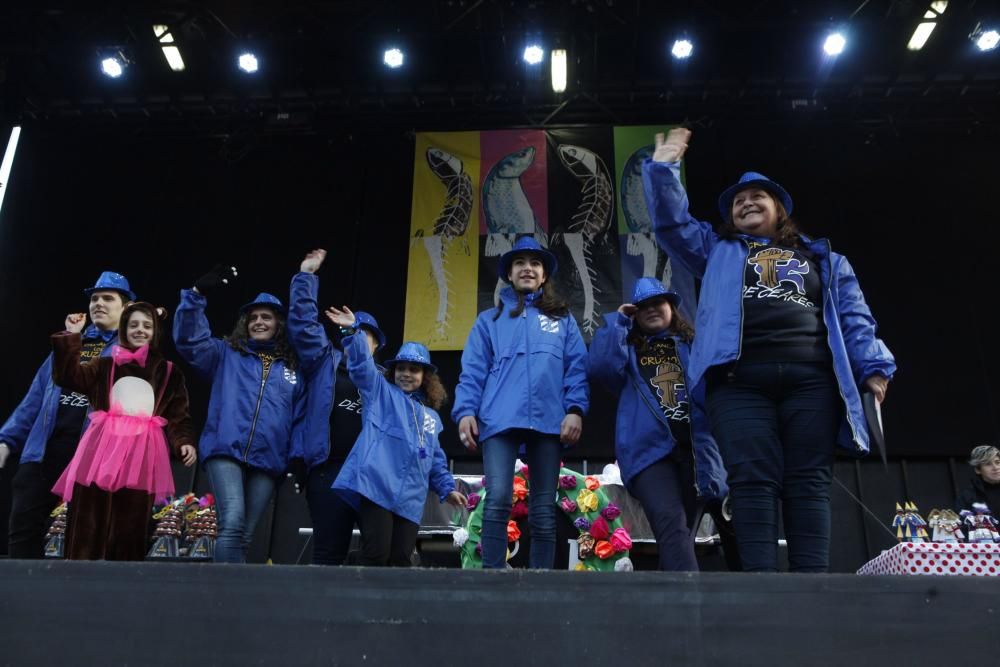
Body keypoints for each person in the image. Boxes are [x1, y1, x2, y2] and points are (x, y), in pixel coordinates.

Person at [643, 128, 896, 572]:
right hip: (739, 384)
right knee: (751, 481)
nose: (746, 203)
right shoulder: (716, 250)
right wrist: (663, 170)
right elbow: (672, 225)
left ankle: (811, 591)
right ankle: (761, 592)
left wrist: (873, 367)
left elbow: (856, 317)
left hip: (813, 382)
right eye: (738, 201)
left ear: (781, 209)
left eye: (758, 196)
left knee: (809, 481)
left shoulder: (825, 260)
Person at [453, 235, 589, 569]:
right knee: (498, 499)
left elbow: (577, 369)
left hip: (548, 420)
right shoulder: (489, 320)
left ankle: (541, 585)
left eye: (535, 263)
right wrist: (466, 411)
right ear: (509, 274)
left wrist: (574, 410)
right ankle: (492, 582)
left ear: (544, 275)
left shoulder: (563, 320)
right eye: (520, 263)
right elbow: (472, 371)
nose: (527, 269)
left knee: (544, 509)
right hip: (499, 419)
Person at [588, 276, 727, 571]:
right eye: (642, 306)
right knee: (672, 524)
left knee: (679, 536)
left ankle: (673, 607)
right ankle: (690, 609)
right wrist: (620, 322)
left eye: (658, 303)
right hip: (648, 453)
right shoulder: (627, 353)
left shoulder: (694, 346)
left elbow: (717, 392)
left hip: (696, 452)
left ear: (671, 308)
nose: (651, 309)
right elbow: (600, 369)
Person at [173, 265, 306, 563]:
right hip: (225, 451)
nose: (258, 322)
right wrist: (195, 296)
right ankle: (224, 597)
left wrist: (296, 456)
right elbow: (189, 341)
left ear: (279, 324)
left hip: (269, 458)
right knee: (232, 523)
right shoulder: (225, 354)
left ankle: (229, 597)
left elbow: (299, 419)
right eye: (253, 317)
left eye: (266, 317)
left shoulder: (293, 368)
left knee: (245, 533)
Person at [0, 271, 134, 558]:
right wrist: (7, 440)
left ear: (125, 308)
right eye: (95, 298)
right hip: (44, 453)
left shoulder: (130, 352)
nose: (98, 303)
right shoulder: (69, 345)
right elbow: (34, 399)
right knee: (23, 527)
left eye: (108, 298)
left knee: (84, 538)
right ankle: (22, 598)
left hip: (90, 457)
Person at [51, 301, 197, 560]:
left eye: (147, 325)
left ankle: (122, 582)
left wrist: (183, 441)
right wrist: (71, 337)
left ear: (155, 332)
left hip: (140, 454)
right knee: (90, 515)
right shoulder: (105, 364)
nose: (140, 330)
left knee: (130, 520)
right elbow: (68, 377)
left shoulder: (168, 373)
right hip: (101, 452)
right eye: (133, 325)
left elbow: (177, 416)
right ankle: (80, 573)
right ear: (124, 329)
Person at [324, 306, 465, 567]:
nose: (407, 374)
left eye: (414, 369)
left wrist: (447, 489)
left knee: (400, 559)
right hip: (376, 486)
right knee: (376, 553)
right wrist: (352, 332)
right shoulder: (380, 392)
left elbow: (435, 459)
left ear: (425, 378)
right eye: (401, 368)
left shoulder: (431, 418)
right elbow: (361, 366)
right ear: (393, 371)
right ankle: (354, 595)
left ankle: (387, 608)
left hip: (411, 497)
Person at [288, 248, 388, 565]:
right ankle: (321, 615)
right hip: (329, 471)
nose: (359, 339)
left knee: (380, 554)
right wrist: (306, 276)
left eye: (366, 335)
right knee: (328, 553)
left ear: (376, 345)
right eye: (353, 332)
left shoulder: (387, 382)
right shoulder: (323, 362)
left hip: (371, 477)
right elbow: (303, 325)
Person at [955, 445, 1000, 516]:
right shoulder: (967, 497)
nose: (995, 467)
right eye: (988, 464)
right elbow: (964, 524)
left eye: (997, 462)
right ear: (978, 470)